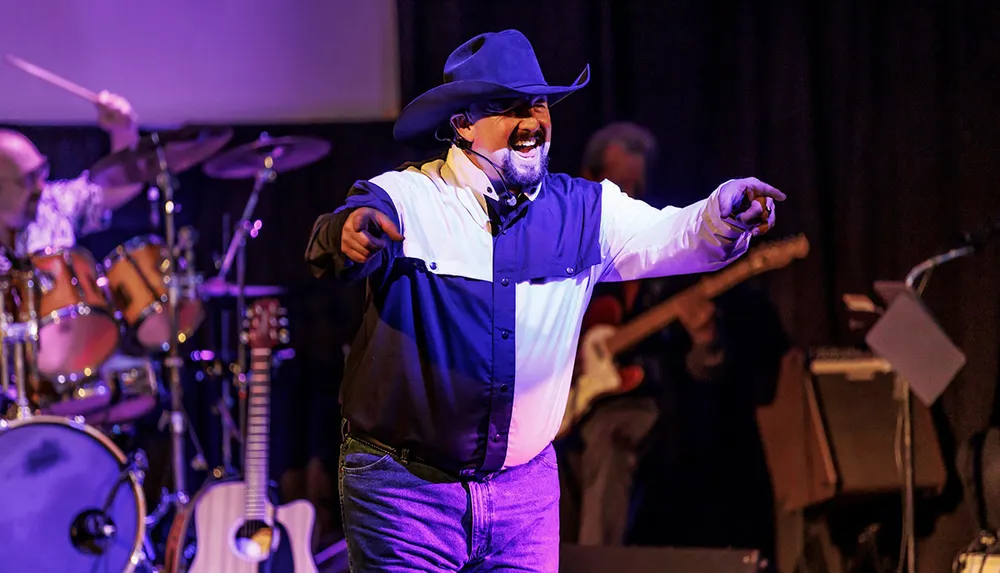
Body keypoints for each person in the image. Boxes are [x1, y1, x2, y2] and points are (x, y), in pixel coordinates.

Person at [304, 29, 784, 572]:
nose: (531, 120)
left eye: (538, 103)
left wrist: (724, 213)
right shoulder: (410, 199)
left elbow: (677, 232)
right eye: (508, 107)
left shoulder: (584, 211)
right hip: (406, 496)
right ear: (462, 124)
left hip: (524, 496)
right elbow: (339, 234)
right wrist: (347, 235)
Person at [0, 90, 141, 268]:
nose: (40, 187)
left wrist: (123, 129)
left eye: (41, 172)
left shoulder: (54, 203)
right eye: (29, 179)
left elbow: (122, 184)